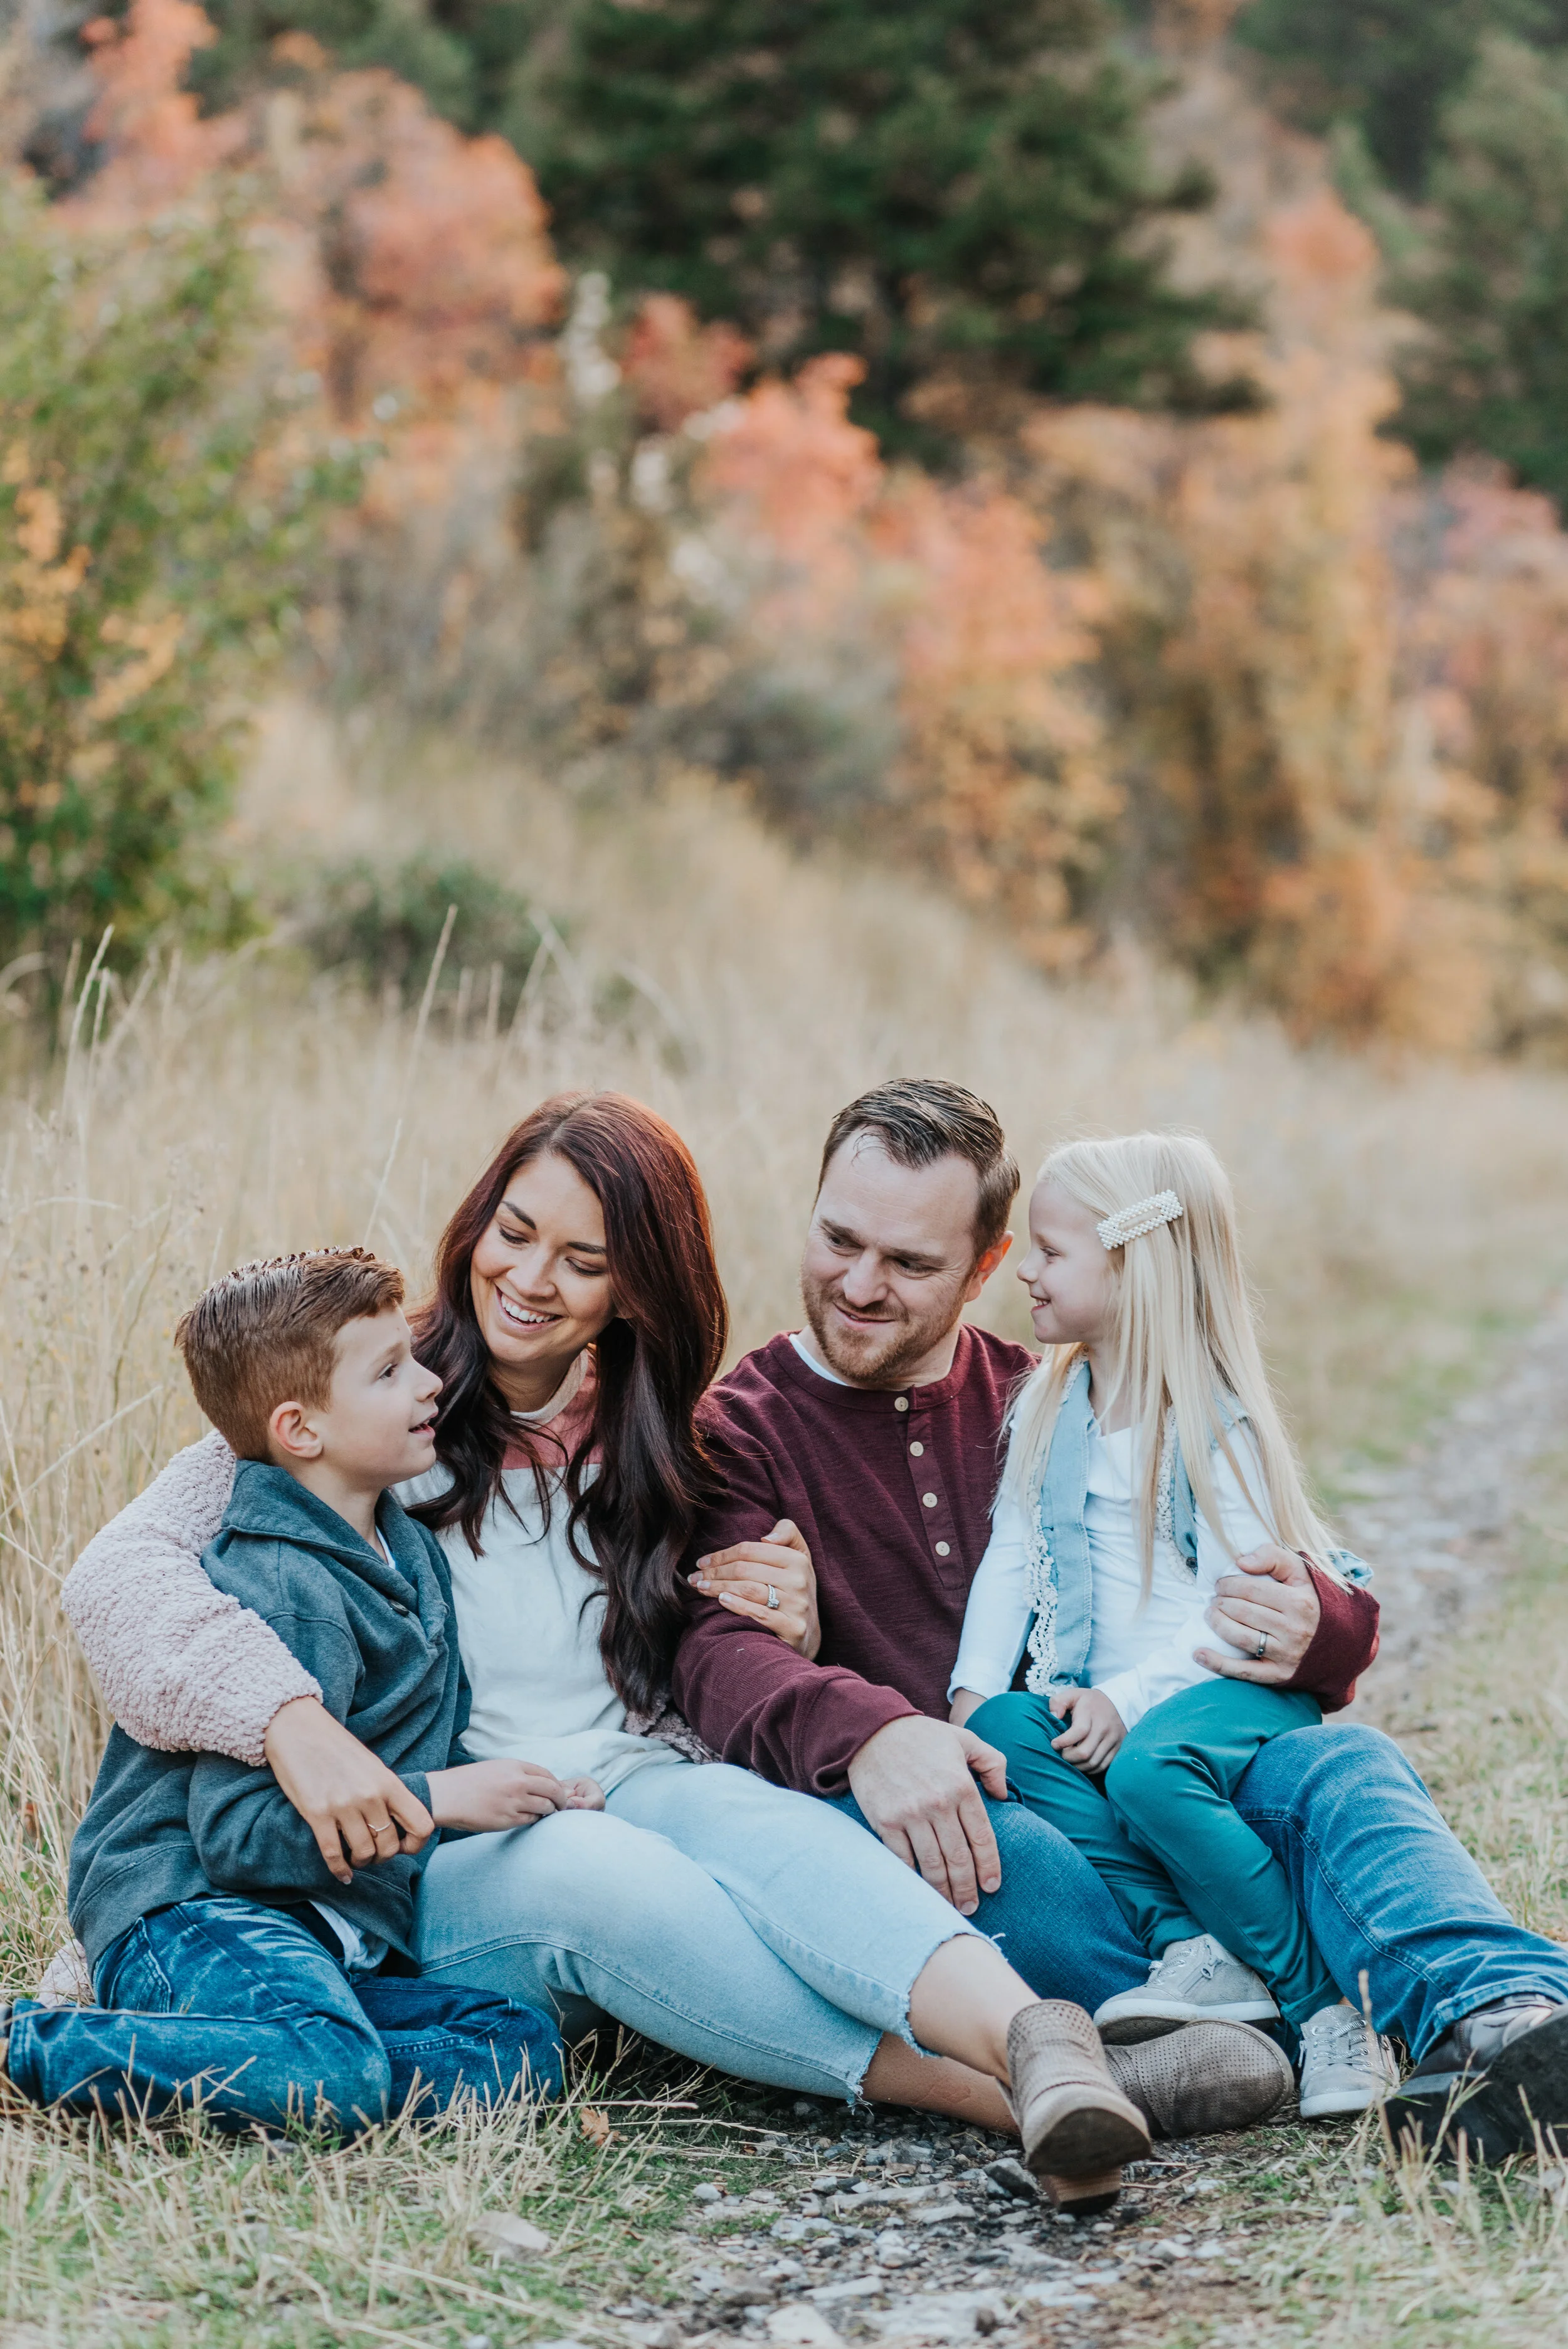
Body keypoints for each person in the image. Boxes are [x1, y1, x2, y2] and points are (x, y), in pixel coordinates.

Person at [58, 1093, 1243, 2212]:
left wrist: (795, 1625)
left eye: (584, 1261)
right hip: (456, 1835)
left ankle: (1045, 2050)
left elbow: (715, 1645)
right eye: (516, 1234)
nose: (529, 1280)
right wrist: (290, 1720)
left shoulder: (664, 1433)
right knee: (610, 1880)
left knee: (775, 1838)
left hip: (637, 1771)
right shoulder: (370, 1394)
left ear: (637, 1287)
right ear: (477, 1223)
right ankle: (995, 2096)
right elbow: (118, 1580)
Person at [672, 1078, 1568, 2158]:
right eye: (839, 1240)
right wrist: (871, 1729)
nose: (860, 1285)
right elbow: (713, 1656)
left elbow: (1285, 1566)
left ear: (987, 1267)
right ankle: (1223, 2021)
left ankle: (1503, 2020)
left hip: (1160, 1749)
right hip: (997, 1792)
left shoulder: (1050, 1390)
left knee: (1347, 1772)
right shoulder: (740, 1429)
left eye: (910, 1264)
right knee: (984, 1847)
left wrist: (1319, 1628)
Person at [4, 1247, 563, 2132]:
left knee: (516, 2050)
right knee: (332, 2070)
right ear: (300, 1431)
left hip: (316, 1941)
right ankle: (26, 2046)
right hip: (196, 1912)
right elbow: (238, 1840)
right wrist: (444, 1799)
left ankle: (233, 2057)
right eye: (390, 1373)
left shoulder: (404, 1550)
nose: (431, 1385)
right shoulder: (286, 1584)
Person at [948, 1132, 1399, 2121]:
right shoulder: (1051, 1403)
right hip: (1112, 1700)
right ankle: (1195, 1951)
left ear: (1132, 1264)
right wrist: (974, 1690)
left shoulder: (1210, 1425)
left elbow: (1234, 1608)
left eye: (1052, 1251)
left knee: (1153, 1764)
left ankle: (1328, 2011)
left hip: (1230, 1688)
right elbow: (1012, 1555)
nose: (1026, 1269)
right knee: (1002, 1737)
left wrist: (1126, 1697)